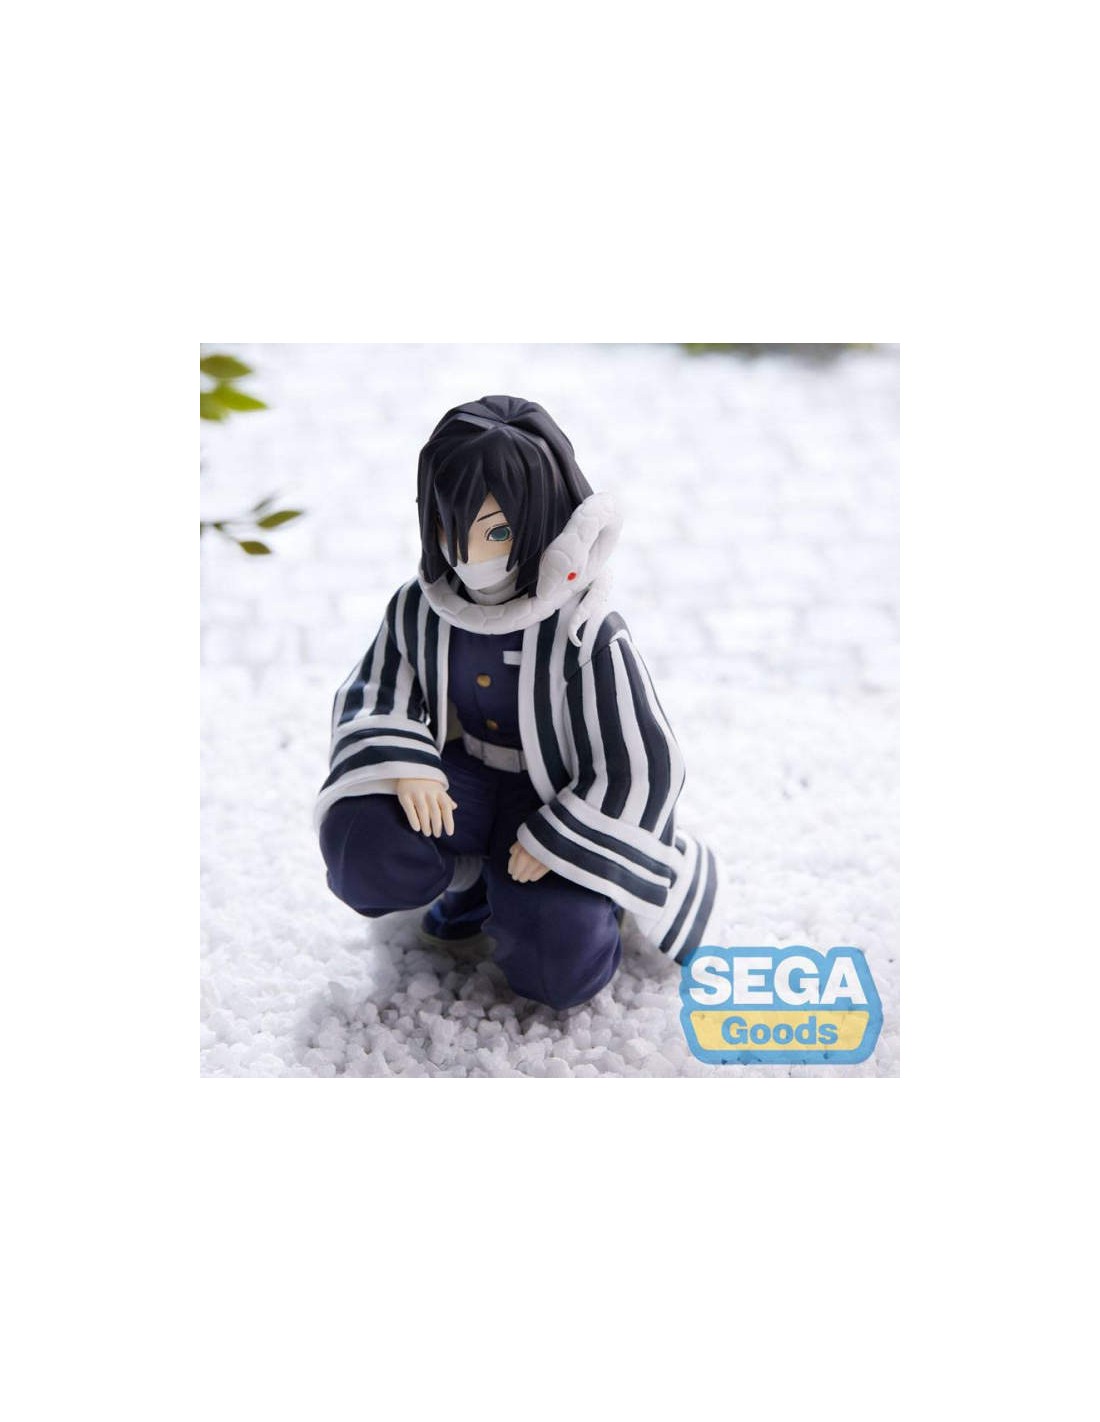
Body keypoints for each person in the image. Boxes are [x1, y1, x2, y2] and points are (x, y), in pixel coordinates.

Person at [316, 395, 720, 1010]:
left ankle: (588, 899)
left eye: (498, 532)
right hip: (460, 785)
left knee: (559, 963)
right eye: (449, 526)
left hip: (554, 799)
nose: (469, 554)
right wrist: (407, 764)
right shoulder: (420, 608)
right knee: (361, 843)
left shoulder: (585, 630)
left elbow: (644, 762)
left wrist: (563, 838)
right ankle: (470, 880)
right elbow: (373, 690)